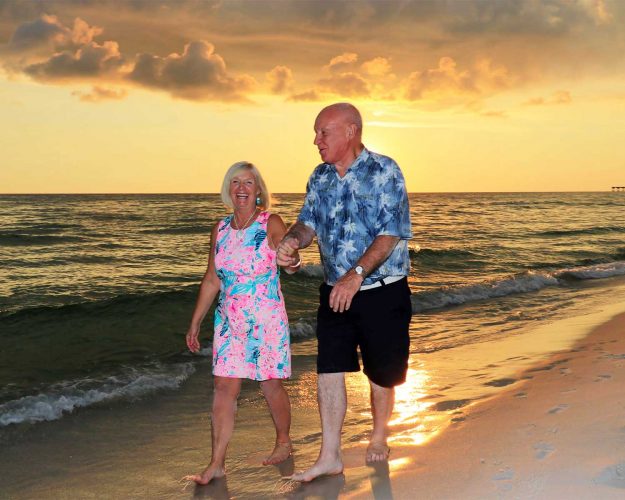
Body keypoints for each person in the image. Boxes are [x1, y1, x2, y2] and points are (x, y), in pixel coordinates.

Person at [277, 102, 412, 482]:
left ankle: (380, 433)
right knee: (329, 368)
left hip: (382, 291)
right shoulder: (319, 177)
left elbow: (391, 232)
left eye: (324, 132)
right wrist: (291, 242)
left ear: (350, 131)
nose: (316, 140)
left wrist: (355, 275)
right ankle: (330, 455)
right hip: (335, 291)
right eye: (316, 133)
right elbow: (307, 223)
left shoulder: (385, 170)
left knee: (382, 373)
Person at [185, 161, 301, 484]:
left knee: (270, 384)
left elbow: (286, 249)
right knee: (224, 388)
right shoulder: (219, 230)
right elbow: (212, 279)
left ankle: (283, 441)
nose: (241, 188)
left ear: (258, 190)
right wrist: (196, 321)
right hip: (229, 321)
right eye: (235, 182)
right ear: (228, 189)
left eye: (248, 183)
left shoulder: (270, 222)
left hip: (266, 319)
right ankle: (217, 463)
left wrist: (291, 259)